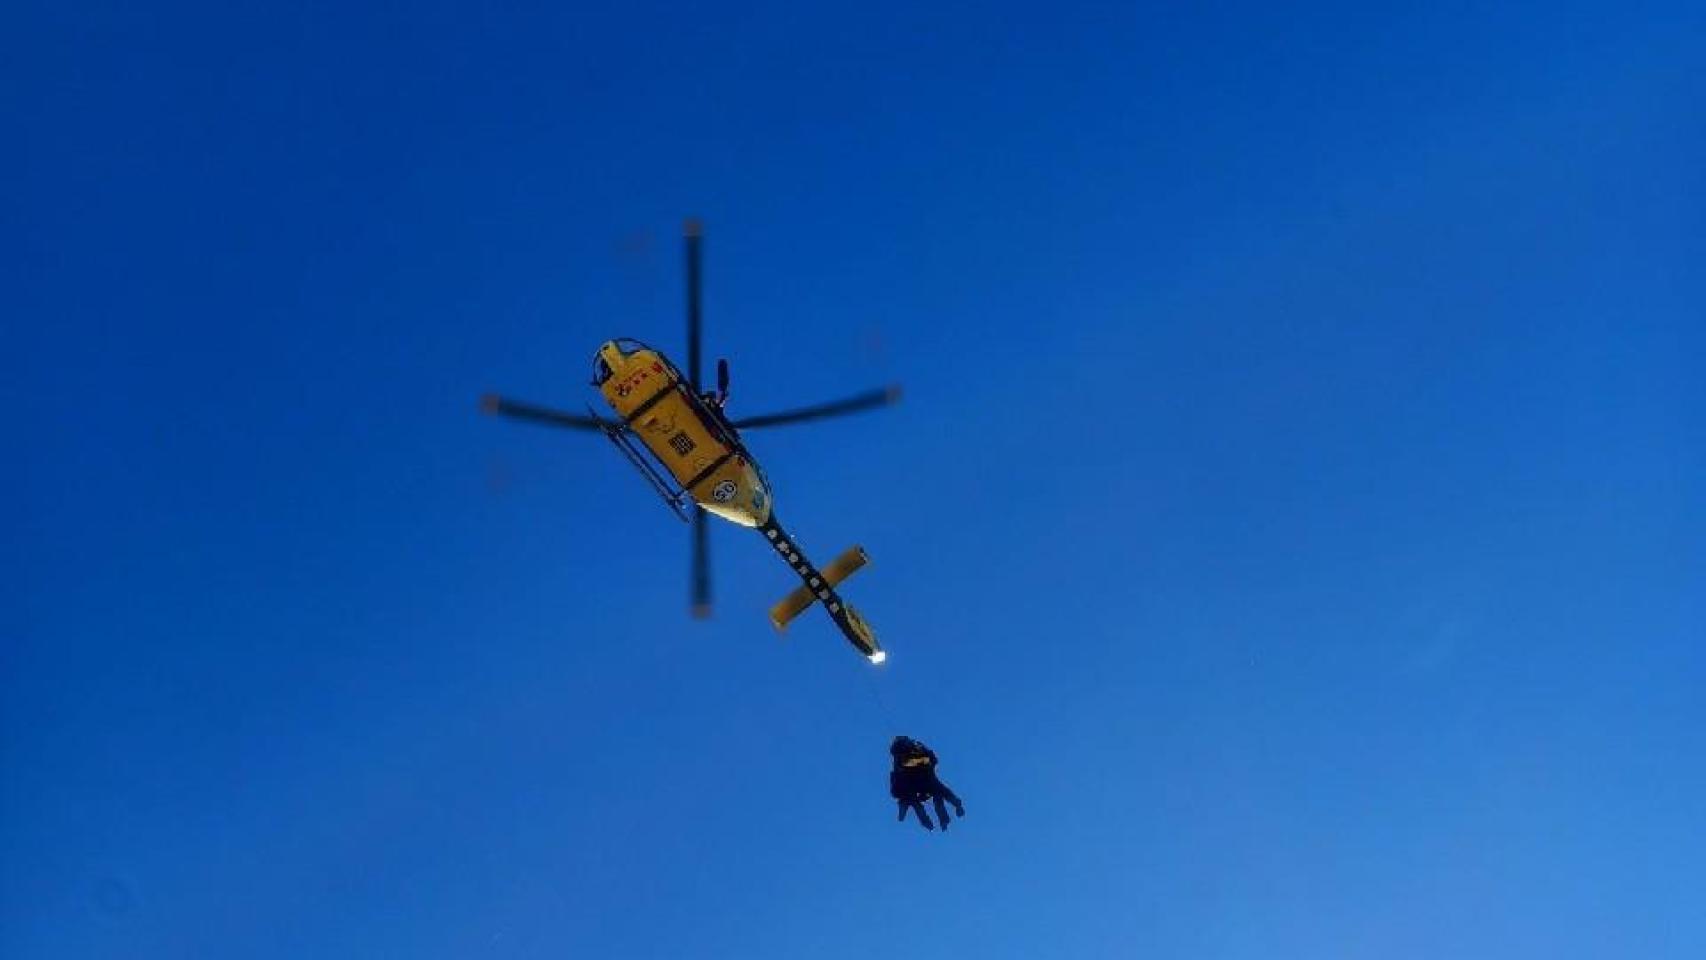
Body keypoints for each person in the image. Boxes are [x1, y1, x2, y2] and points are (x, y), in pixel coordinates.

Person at [889, 736, 964, 831]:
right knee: (913, 800)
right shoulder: (899, 759)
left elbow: (933, 759)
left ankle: (946, 817)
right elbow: (902, 767)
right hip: (911, 783)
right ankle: (929, 822)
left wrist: (957, 805)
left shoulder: (918, 747)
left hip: (926, 778)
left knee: (939, 792)